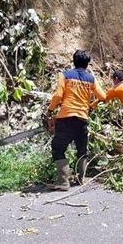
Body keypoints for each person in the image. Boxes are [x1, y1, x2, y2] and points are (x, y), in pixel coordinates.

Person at [45, 50, 106, 190]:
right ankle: (80, 179)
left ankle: (63, 182)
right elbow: (102, 97)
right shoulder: (91, 78)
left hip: (65, 118)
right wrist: (91, 106)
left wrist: (50, 110)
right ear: (87, 64)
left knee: (58, 148)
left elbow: (58, 95)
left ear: (74, 61)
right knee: (82, 150)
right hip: (82, 119)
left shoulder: (65, 75)